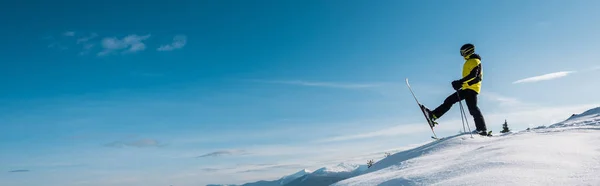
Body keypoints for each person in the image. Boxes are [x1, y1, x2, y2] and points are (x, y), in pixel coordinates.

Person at [422, 43, 488, 136]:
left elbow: (475, 76)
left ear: (468, 51)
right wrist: (461, 83)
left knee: (454, 102)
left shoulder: (474, 61)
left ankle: (433, 116)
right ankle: (482, 129)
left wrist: (460, 82)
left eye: (462, 52)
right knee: (471, 108)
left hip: (470, 88)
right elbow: (471, 77)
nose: (462, 54)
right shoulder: (470, 61)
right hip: (468, 88)